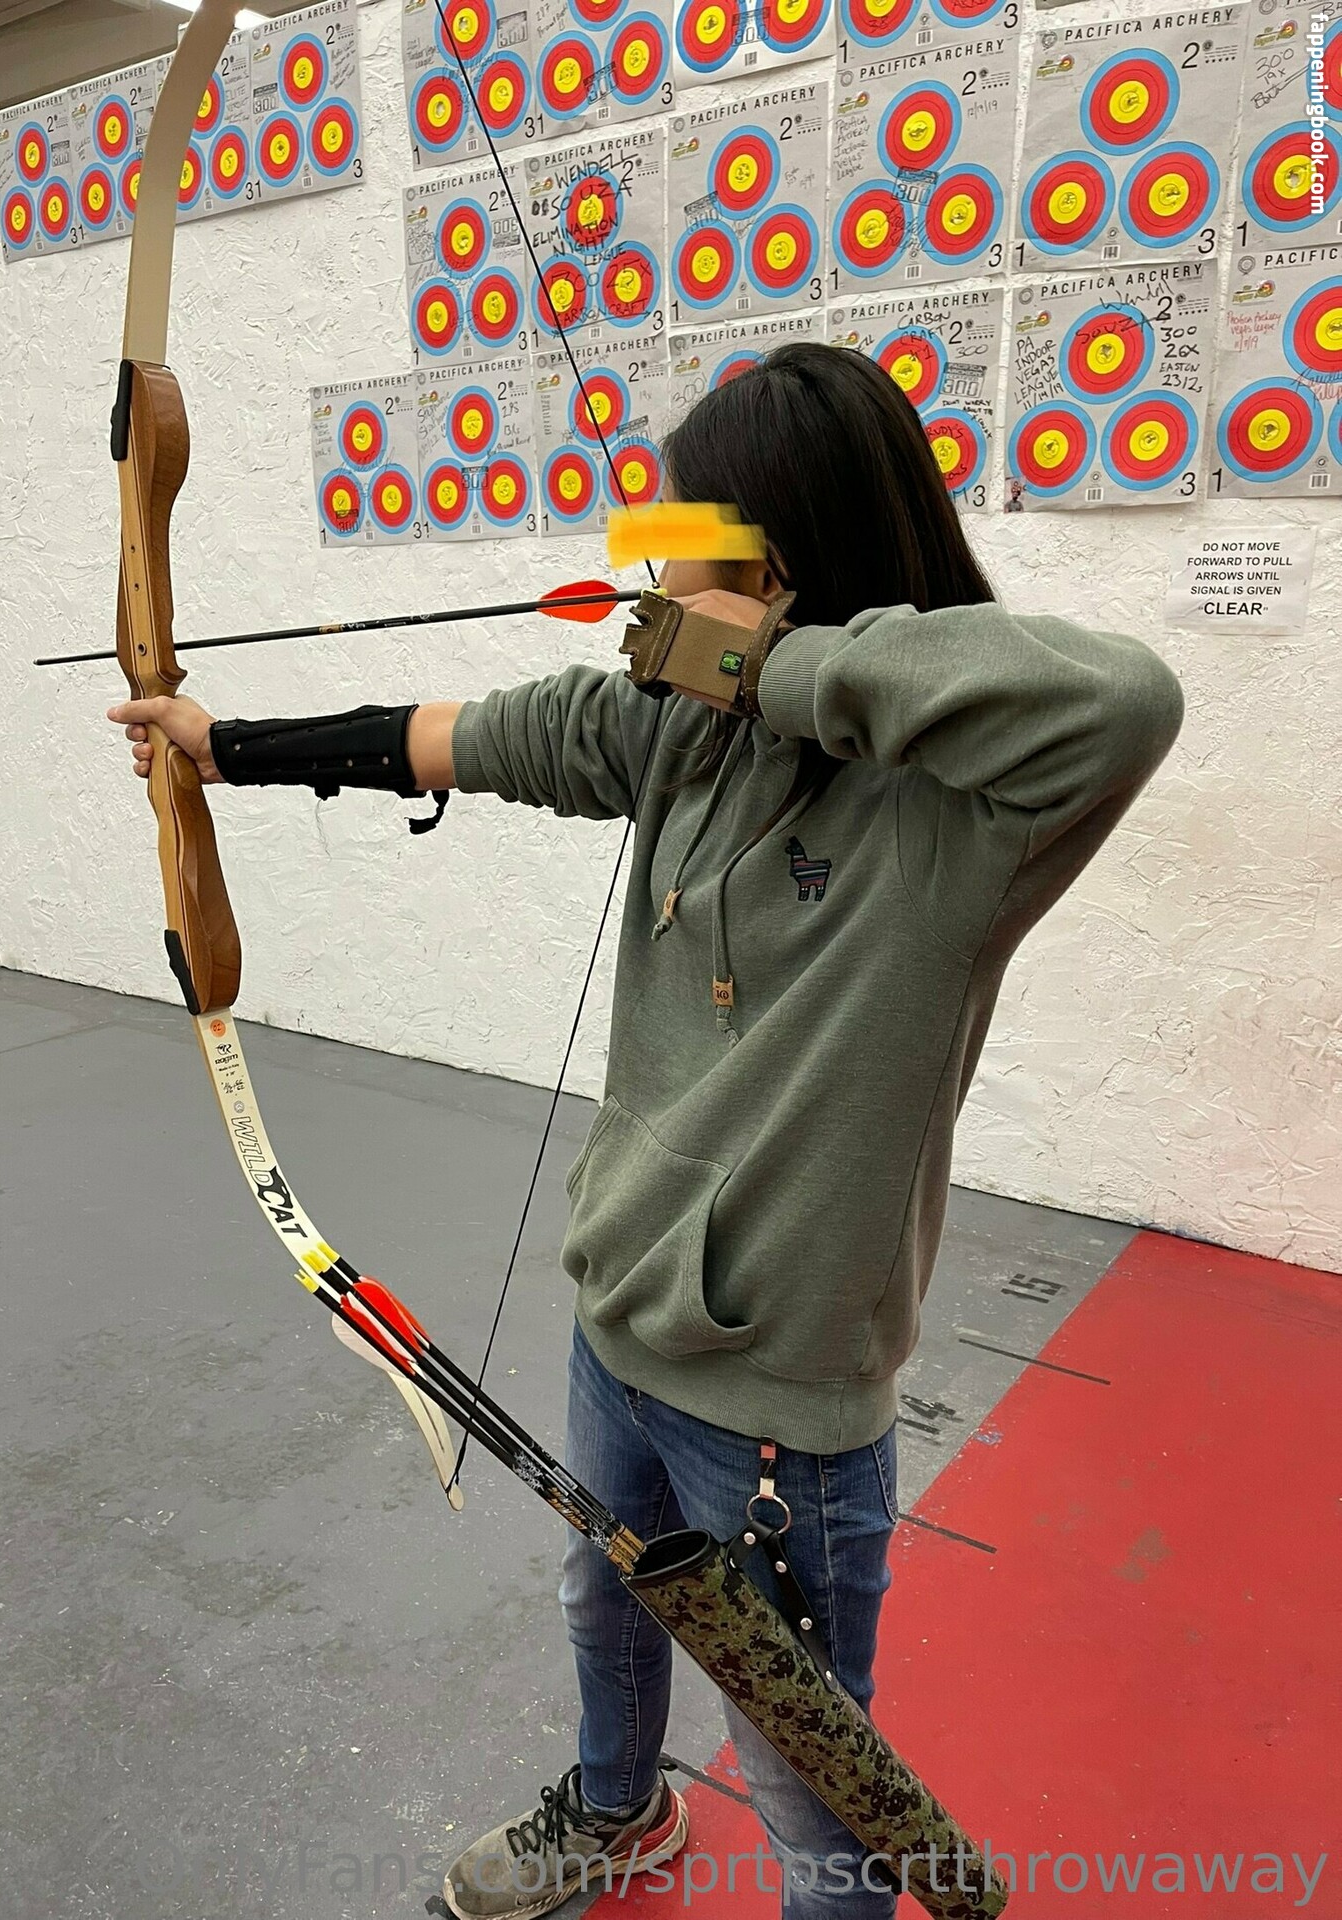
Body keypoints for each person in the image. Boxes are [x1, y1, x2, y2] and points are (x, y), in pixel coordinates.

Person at [108, 343, 1184, 1918]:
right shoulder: (670, 731)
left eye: (683, 541)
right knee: (603, 1604)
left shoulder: (962, 806)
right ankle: (617, 1811)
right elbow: (469, 735)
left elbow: (1124, 698)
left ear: (776, 563)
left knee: (806, 1771)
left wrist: (759, 665)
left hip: (777, 1392)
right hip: (617, 1313)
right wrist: (227, 750)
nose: (650, 574)